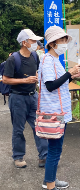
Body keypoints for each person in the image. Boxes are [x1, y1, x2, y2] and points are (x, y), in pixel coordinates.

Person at [39, 26, 80, 190]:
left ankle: (49, 179)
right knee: (55, 149)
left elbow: (59, 84)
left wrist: (72, 75)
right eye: (62, 40)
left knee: (55, 149)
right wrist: (69, 73)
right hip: (54, 112)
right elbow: (50, 85)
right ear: (52, 43)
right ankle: (50, 185)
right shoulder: (47, 60)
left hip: (59, 111)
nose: (65, 43)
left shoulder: (54, 60)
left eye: (66, 40)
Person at [2, 29, 48, 168]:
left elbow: (36, 71)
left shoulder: (34, 56)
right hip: (17, 98)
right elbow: (5, 79)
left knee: (39, 126)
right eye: (33, 41)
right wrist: (25, 81)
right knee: (18, 129)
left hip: (32, 96)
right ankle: (18, 157)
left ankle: (44, 156)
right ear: (24, 42)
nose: (36, 43)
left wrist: (35, 83)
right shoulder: (13, 59)